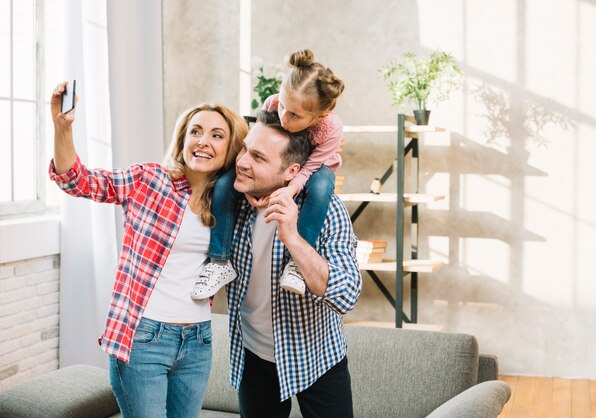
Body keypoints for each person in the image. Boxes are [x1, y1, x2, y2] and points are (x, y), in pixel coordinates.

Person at [49, 81, 248, 418]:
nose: (203, 141)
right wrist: (62, 127)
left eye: (217, 135)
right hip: (144, 338)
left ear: (231, 147)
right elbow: (76, 180)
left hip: (198, 339)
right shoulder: (150, 180)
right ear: (182, 139)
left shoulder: (230, 202)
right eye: (195, 131)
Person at [226, 109, 362, 418]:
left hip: (316, 359)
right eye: (245, 149)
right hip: (254, 357)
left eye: (258, 158)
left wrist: (293, 238)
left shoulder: (325, 209)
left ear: (292, 172)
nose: (243, 161)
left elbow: (347, 294)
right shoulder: (233, 202)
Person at [191, 48, 345, 299]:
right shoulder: (273, 103)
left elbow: (308, 167)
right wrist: (257, 184)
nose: (283, 116)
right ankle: (220, 261)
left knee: (321, 188)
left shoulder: (330, 128)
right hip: (283, 168)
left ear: (321, 115)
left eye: (294, 114)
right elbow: (261, 140)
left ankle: (297, 262)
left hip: (315, 167)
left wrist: (287, 190)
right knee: (223, 184)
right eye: (283, 106)